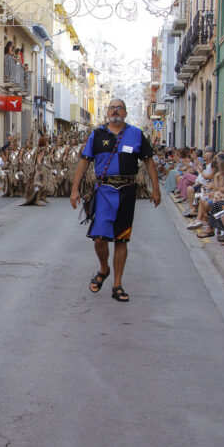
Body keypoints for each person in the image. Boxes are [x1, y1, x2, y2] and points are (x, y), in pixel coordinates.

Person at [70, 99, 161, 302]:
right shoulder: (97, 134)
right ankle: (104, 268)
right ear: (107, 112)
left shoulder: (136, 134)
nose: (115, 110)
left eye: (119, 108)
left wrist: (156, 189)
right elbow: (84, 161)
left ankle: (117, 285)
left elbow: (148, 161)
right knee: (99, 238)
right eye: (112, 107)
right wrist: (75, 188)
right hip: (103, 191)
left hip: (127, 191)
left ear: (126, 113)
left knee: (121, 238)